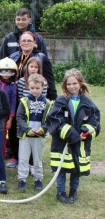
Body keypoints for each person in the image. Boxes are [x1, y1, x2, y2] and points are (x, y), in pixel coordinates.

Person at [47, 69, 100, 204]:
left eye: (74, 83)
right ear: (65, 85)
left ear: (80, 83)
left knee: (76, 168)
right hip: (62, 142)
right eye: (68, 84)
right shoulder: (60, 100)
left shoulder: (88, 103)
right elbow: (55, 120)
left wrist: (85, 132)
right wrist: (72, 135)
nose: (72, 87)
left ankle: (73, 192)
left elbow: (95, 121)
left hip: (80, 143)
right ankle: (60, 192)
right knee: (62, 168)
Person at [7, 31, 57, 168]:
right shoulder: (14, 56)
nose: (26, 43)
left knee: (32, 127)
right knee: (16, 129)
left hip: (35, 100)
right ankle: (15, 156)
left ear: (35, 42)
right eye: (23, 40)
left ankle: (31, 160)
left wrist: (52, 97)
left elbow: (48, 79)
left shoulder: (40, 57)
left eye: (29, 40)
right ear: (19, 42)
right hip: (18, 97)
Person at [16, 74, 53, 192]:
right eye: (32, 88)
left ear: (43, 87)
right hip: (25, 135)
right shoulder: (24, 101)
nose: (34, 91)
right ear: (28, 87)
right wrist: (27, 129)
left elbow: (50, 120)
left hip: (39, 135)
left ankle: (38, 179)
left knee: (37, 158)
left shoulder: (47, 103)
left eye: (37, 88)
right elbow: (19, 117)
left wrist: (43, 129)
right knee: (23, 158)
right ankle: (22, 180)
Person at [0, 57, 17, 158]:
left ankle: (1, 156)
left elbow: (13, 103)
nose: (6, 74)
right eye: (4, 71)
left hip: (4, 117)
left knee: (3, 137)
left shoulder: (13, 87)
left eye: (9, 71)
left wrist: (10, 119)